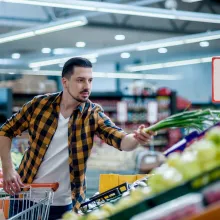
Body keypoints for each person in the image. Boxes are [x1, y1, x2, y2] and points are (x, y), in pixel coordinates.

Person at [0, 57, 154, 219]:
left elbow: (122, 140)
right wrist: (9, 168)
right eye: (80, 80)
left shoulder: (92, 114)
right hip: (25, 198)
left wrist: (138, 137)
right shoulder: (39, 105)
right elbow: (5, 131)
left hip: (66, 205)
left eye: (90, 80)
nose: (87, 86)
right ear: (65, 82)